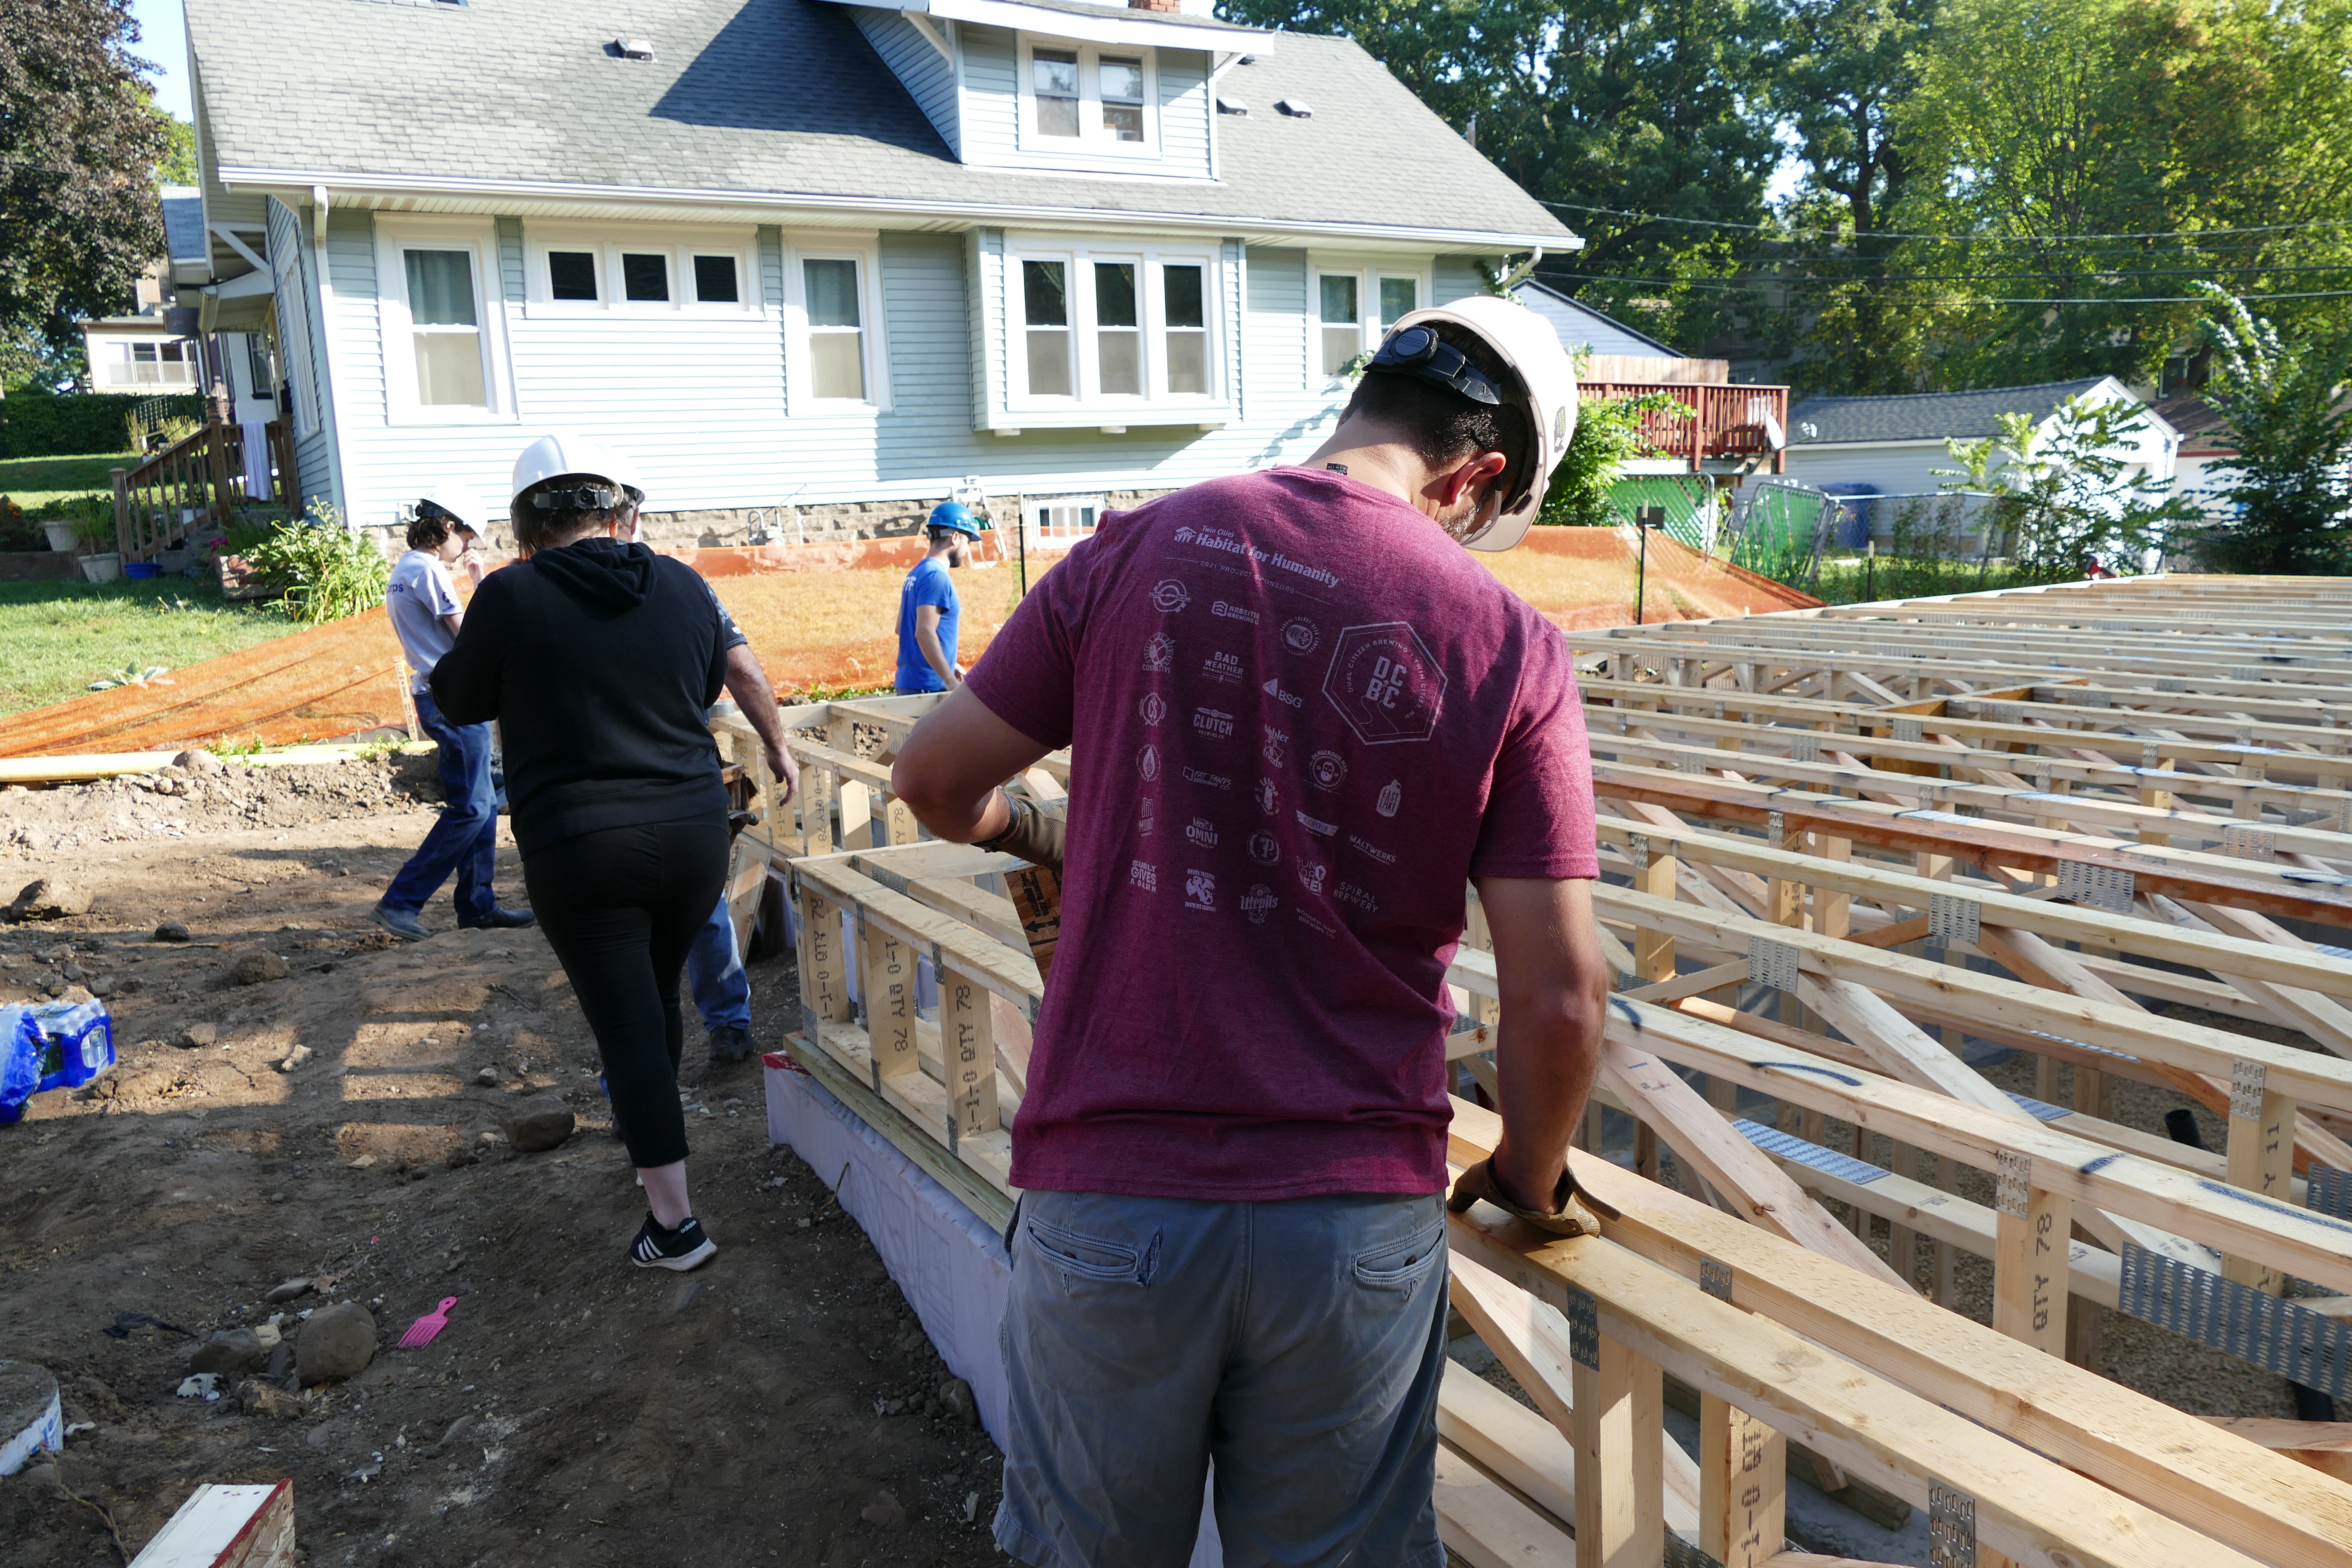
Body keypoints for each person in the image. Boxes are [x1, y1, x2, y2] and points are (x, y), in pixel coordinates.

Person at [892, 295, 1612, 1566]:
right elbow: (1562, 1005)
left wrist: (1028, 829)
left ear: (1361, 406)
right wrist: (1527, 1179)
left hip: (1109, 1196)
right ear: (1482, 473)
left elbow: (935, 780)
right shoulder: (1514, 647)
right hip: (1349, 1224)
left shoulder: (1140, 546)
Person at [431, 433, 796, 1272]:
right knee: (654, 1000)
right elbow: (715, 676)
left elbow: (460, 696)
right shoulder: (681, 582)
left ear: (526, 524)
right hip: (695, 832)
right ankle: (649, 1137)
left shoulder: (511, 594)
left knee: (628, 1021)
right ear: (614, 509)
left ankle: (675, 1229)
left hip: (585, 846)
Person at [373, 484, 533, 941]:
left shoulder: (407, 568)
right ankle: (400, 902)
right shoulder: (428, 571)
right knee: (472, 807)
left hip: (440, 695)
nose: (467, 548)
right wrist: (481, 584)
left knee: (480, 804)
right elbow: (471, 637)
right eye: (466, 538)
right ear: (447, 527)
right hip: (454, 699)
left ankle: (479, 905)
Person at [894, 502, 980, 693]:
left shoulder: (917, 572)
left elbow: (902, 628)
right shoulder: (936, 577)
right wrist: (949, 680)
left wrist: (949, 664)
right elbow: (924, 633)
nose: (968, 550)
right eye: (969, 542)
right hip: (929, 688)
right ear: (955, 538)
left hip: (912, 683)